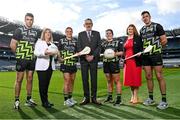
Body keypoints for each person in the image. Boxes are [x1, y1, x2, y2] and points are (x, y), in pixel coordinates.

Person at [140, 11, 168, 109]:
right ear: (142, 19)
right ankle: (151, 99)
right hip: (145, 56)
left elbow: (164, 40)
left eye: (146, 16)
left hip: (156, 54)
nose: (145, 18)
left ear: (150, 17)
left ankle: (164, 101)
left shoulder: (157, 26)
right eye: (143, 17)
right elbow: (142, 44)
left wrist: (154, 47)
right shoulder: (142, 30)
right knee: (148, 76)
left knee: (159, 76)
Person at [10, 13, 38, 109]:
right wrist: (18, 56)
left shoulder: (35, 32)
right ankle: (17, 101)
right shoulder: (19, 30)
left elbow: (35, 46)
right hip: (22, 58)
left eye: (31, 19)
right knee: (19, 79)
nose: (29, 21)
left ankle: (28, 99)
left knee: (30, 78)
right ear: (25, 20)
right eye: (28, 19)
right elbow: (13, 44)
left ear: (33, 21)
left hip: (31, 59)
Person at [77, 18, 101, 105]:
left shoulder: (97, 34)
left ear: (92, 24)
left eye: (90, 23)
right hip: (84, 60)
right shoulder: (80, 34)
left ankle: (94, 98)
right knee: (84, 79)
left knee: (94, 79)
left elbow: (99, 46)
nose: (88, 25)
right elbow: (79, 47)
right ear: (84, 25)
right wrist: (86, 56)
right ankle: (86, 98)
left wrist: (93, 56)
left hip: (94, 60)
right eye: (86, 23)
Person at [34, 28, 58, 108]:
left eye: (49, 32)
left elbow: (55, 55)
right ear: (43, 34)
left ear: (51, 34)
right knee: (42, 85)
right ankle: (44, 102)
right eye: (46, 32)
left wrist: (55, 54)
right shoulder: (39, 42)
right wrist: (45, 52)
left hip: (50, 67)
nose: (48, 34)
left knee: (46, 85)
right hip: (41, 67)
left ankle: (46, 100)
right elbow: (36, 53)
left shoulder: (53, 45)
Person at [101, 29, 123, 106]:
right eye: (107, 33)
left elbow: (122, 52)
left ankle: (119, 99)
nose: (108, 34)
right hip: (106, 63)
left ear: (112, 34)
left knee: (116, 81)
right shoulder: (103, 44)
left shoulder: (117, 42)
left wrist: (114, 54)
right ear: (105, 35)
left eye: (109, 33)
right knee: (109, 80)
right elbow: (101, 53)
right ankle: (110, 97)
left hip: (114, 63)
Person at [58, 27, 78, 107]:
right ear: (65, 32)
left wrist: (78, 54)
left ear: (72, 32)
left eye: (70, 31)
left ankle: (70, 98)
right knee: (67, 81)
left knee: (72, 81)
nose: (69, 33)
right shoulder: (61, 41)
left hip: (73, 64)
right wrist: (59, 58)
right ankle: (65, 100)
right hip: (65, 63)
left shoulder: (75, 41)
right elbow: (58, 51)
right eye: (67, 31)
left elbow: (77, 52)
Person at [123, 24, 143, 104]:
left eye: (131, 29)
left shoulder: (138, 38)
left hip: (135, 61)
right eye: (129, 29)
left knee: (135, 79)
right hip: (127, 61)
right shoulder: (125, 39)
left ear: (134, 30)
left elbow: (141, 48)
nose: (130, 30)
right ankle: (132, 95)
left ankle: (135, 96)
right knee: (130, 80)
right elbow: (124, 50)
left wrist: (140, 53)